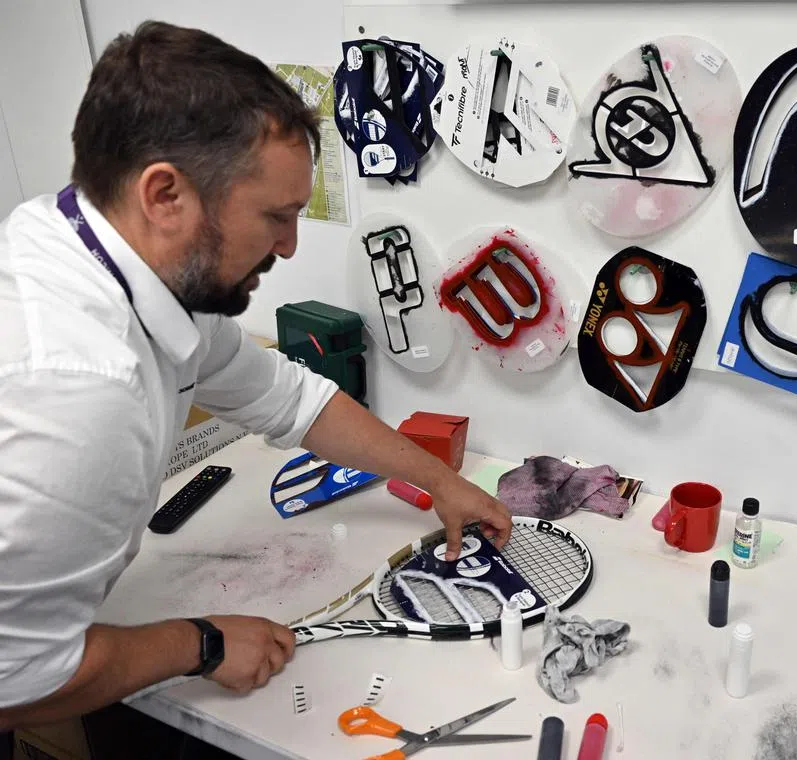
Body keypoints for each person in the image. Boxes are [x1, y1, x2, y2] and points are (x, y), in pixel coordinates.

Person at [0, 21, 512, 729]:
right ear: (164, 195)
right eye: (277, 217)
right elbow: (17, 682)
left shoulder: (92, 244)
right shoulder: (78, 390)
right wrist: (202, 644)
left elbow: (291, 399)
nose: (290, 245)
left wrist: (442, 482)